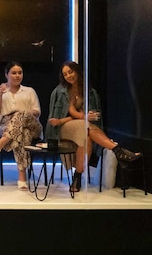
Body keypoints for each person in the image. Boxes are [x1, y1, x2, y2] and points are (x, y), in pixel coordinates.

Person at [45, 60, 141, 192]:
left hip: (82, 128)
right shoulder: (60, 91)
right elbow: (69, 112)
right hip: (61, 127)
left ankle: (77, 178)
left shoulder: (90, 92)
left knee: (86, 135)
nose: (68, 76)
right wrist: (84, 116)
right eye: (65, 74)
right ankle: (118, 150)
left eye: (70, 72)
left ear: (77, 71)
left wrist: (87, 117)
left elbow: (94, 117)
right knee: (85, 126)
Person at [0, 61, 42, 191]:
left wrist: (21, 114)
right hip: (5, 125)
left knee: (22, 116)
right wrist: (0, 94)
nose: (17, 76)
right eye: (14, 73)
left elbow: (37, 111)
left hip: (31, 124)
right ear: (6, 75)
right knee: (22, 134)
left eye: (20, 73)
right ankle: (22, 177)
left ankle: (0, 145)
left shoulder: (29, 91)